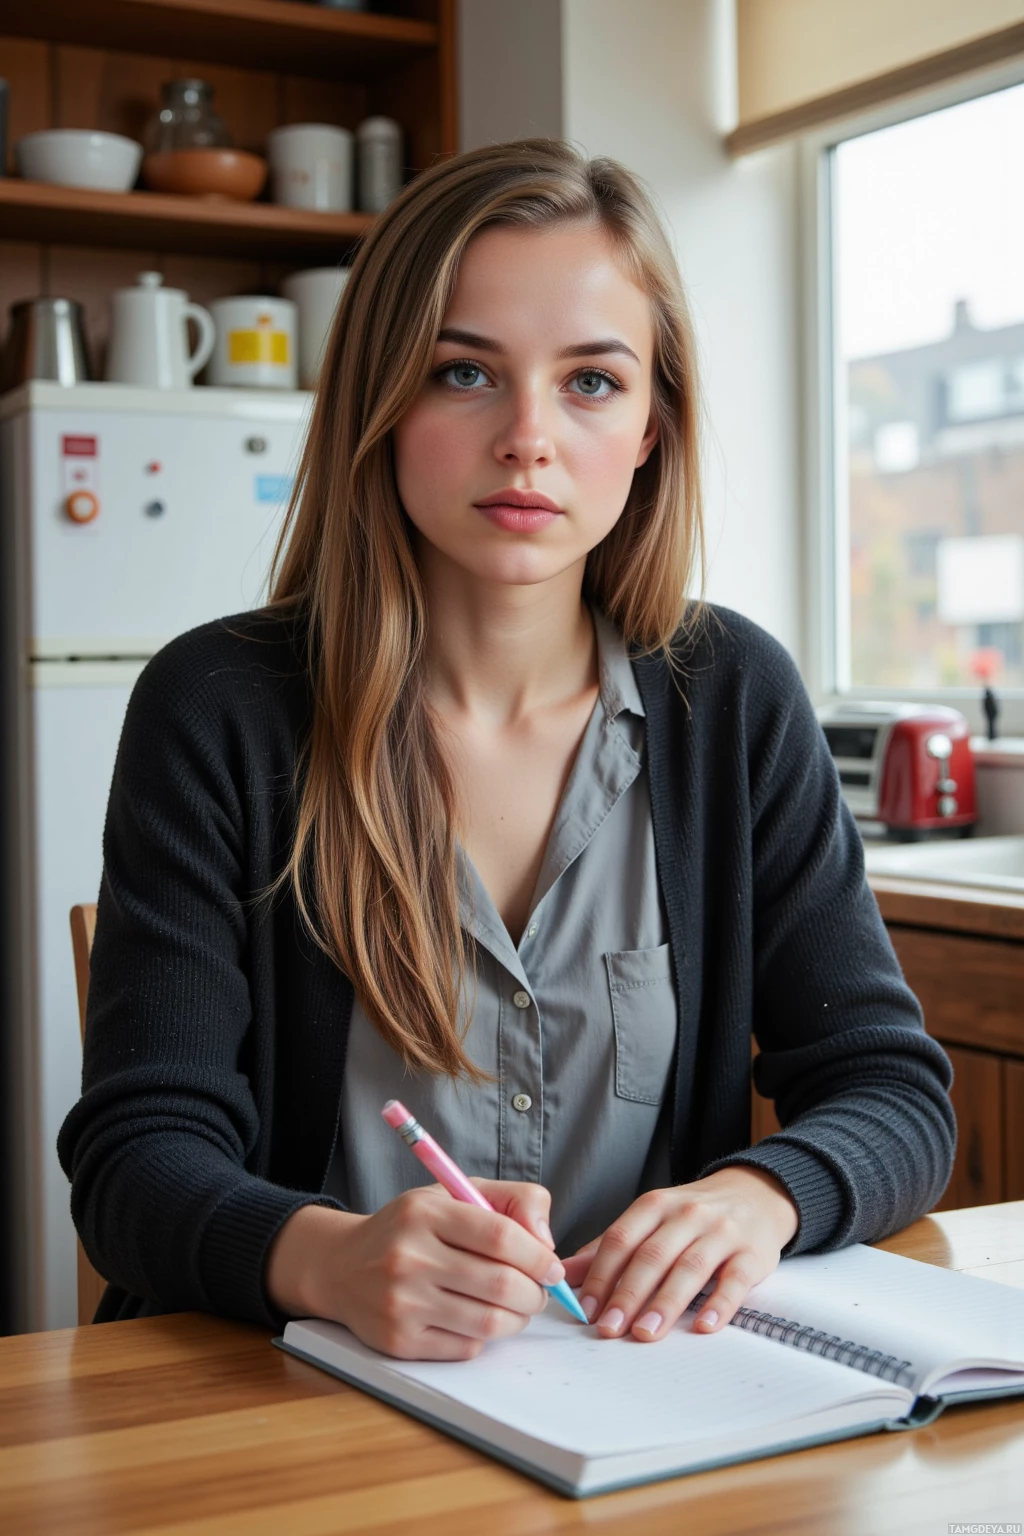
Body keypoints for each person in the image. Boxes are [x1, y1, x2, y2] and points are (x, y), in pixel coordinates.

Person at [59, 139, 955, 1359]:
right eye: (463, 372)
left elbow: (890, 1092)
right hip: (293, 1398)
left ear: (649, 429)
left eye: (591, 383)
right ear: (381, 397)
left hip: (635, 1400)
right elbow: (135, 1163)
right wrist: (324, 1258)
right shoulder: (218, 705)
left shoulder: (731, 697)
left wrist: (760, 1196)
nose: (528, 437)